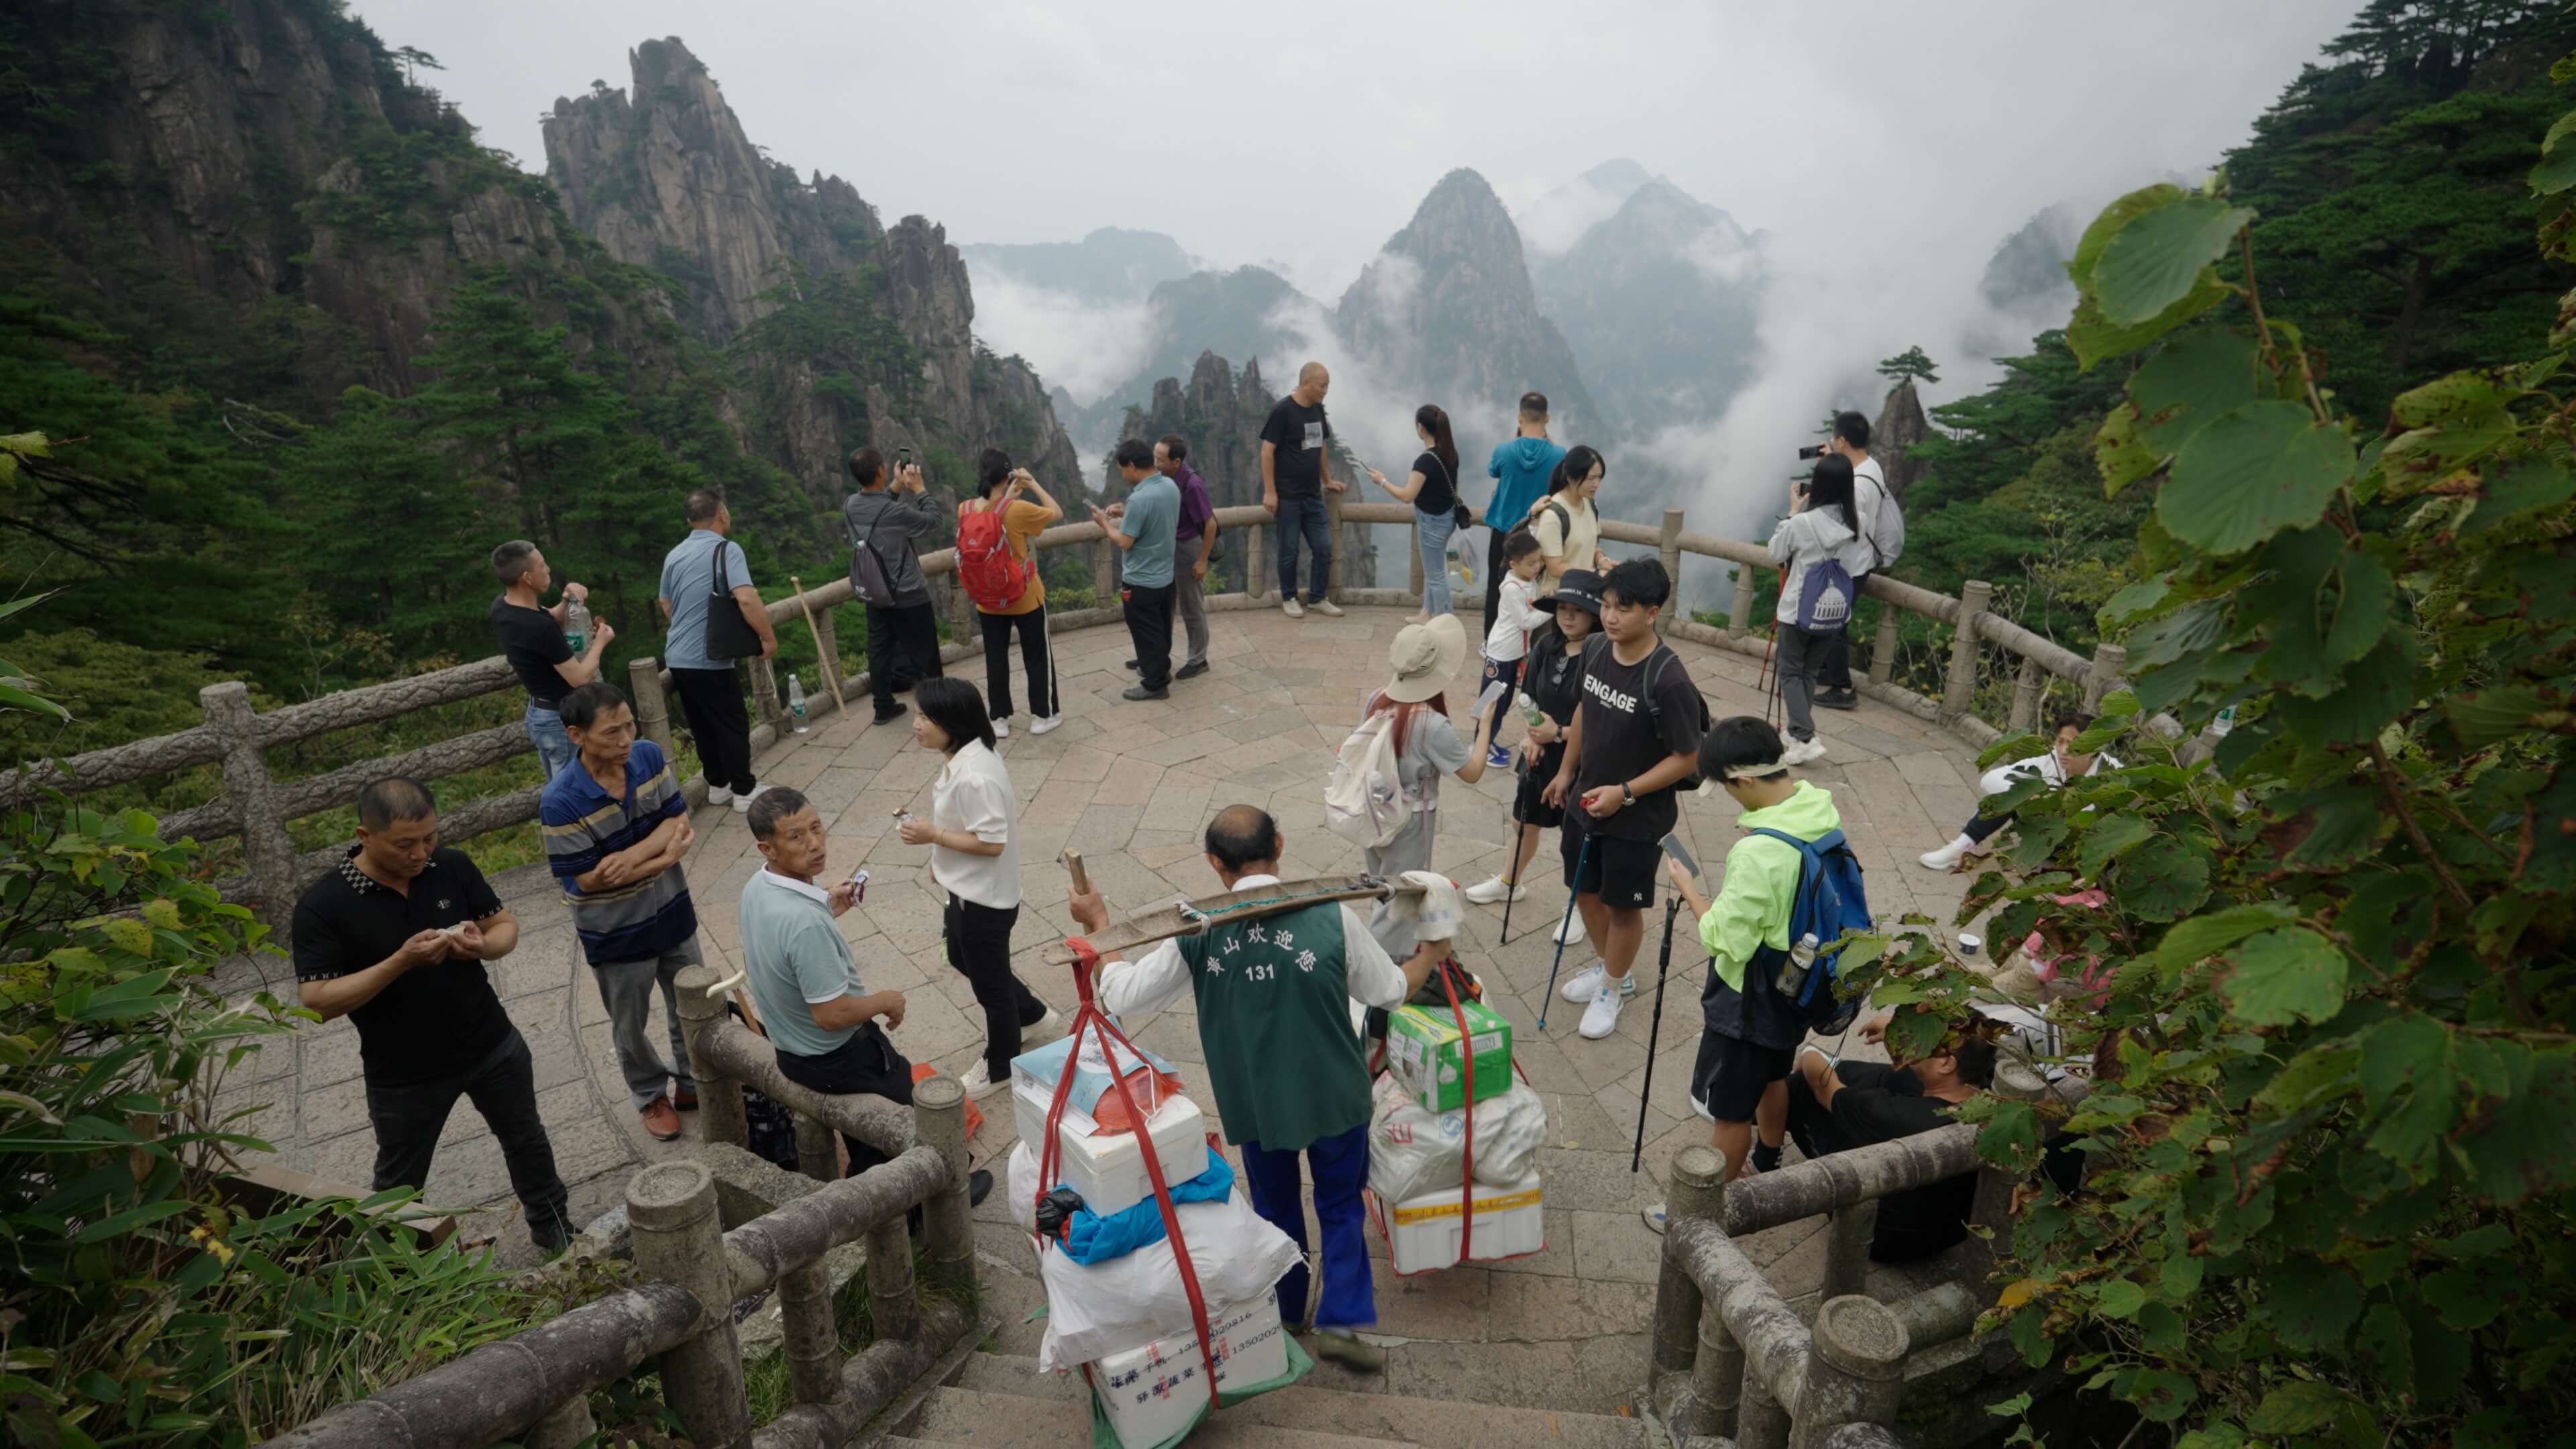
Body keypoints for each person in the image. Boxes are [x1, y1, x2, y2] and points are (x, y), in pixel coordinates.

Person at [1071, 804, 1446, 1373]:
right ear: (1281, 844)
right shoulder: (1333, 918)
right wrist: (1431, 956)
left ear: (1214, 863)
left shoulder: (1197, 930)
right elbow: (1391, 991)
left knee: (1274, 1208)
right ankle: (1341, 1322)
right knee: (1341, 1206)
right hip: (1335, 1096)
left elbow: (1121, 995)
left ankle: (1288, 1312)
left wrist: (1099, 922)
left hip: (1257, 1102)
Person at [294, 778, 574, 1254]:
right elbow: (318, 1000)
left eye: (430, 838)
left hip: (492, 1043)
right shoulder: (323, 906)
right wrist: (401, 962)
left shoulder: (450, 866)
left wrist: (482, 947)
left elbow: (504, 925)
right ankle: (397, 1267)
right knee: (400, 1181)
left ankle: (555, 1228)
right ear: (365, 836)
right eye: (405, 844)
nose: (421, 853)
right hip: (403, 1074)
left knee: (527, 1140)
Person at [741, 787, 996, 1205]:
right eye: (797, 837)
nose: (815, 844)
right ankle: (943, 1198)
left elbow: (782, 944)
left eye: (816, 827)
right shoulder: (805, 923)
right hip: (833, 1057)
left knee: (875, 1128)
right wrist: (885, 1001)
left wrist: (827, 904)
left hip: (789, 1047)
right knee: (914, 1111)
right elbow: (830, 1015)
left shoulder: (758, 886)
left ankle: (874, 1186)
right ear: (767, 848)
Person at [1655, 715, 1841, 1189]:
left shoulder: (1758, 854)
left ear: (1742, 781)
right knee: (1774, 1075)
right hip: (1797, 983)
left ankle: (1709, 1207)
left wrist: (1688, 888)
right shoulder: (1816, 807)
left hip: (1751, 1000)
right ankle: (1768, 1157)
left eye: (1727, 787)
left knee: (1731, 1112)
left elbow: (1724, 939)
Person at [1543, 559, 1706, 1041]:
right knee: (1583, 891)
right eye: (1608, 606)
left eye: (1624, 609)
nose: (1610, 617)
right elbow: (1584, 710)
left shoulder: (1669, 680)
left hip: (1637, 818)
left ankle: (1612, 987)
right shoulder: (1596, 647)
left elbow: (1687, 758)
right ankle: (1613, 968)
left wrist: (1626, 792)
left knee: (1622, 906)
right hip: (1585, 802)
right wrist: (1566, 771)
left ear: (1652, 613)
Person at [541, 682, 701, 1143]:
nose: (626, 739)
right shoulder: (560, 801)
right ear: (577, 736)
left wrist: (632, 859)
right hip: (615, 931)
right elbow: (590, 879)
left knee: (694, 1002)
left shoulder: (648, 757)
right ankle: (650, 1094)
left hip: (672, 908)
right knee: (630, 1023)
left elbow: (678, 820)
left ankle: (693, 1081)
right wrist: (666, 854)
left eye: (629, 726)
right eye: (612, 732)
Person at [896, 678, 1061, 1093]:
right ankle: (1032, 1015)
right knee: (960, 956)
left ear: (953, 721)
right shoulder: (966, 755)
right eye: (917, 715)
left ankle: (1001, 1066)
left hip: (983, 902)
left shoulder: (974, 776)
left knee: (991, 989)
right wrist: (942, 860)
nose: (916, 725)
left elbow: (992, 842)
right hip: (967, 891)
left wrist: (932, 836)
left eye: (925, 717)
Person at [1779, 1014, 1997, 1260]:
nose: (1917, 1040)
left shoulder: (1894, 1115)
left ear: (1946, 1063)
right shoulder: (1987, 1091)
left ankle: (1764, 1143)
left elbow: (1823, 1088)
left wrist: (1809, 1053)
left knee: (1804, 1086)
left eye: (1925, 1039)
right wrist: (1899, 1036)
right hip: (1944, 1233)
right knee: (1893, 1077)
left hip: (1883, 1237)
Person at [1353, 614, 1497, 955]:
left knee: (1382, 885)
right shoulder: (1432, 725)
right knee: (1402, 899)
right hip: (1410, 821)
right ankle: (1382, 966)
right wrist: (1486, 726)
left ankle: (1388, 951)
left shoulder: (1376, 698)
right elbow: (1473, 772)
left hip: (1373, 809)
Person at [1464, 570, 1601, 922]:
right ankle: (1509, 882)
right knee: (1523, 822)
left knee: (1577, 835)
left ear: (1595, 616)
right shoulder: (1545, 646)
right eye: (1563, 608)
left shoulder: (1601, 658)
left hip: (1583, 761)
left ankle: (1579, 906)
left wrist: (1557, 734)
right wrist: (1533, 734)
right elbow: (1529, 697)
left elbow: (1603, 722)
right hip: (1540, 753)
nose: (1568, 617)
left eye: (1579, 611)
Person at [656, 490, 776, 812]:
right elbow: (746, 599)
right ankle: (744, 790)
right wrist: (767, 638)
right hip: (709, 657)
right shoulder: (727, 550)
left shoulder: (674, 555)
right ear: (722, 513)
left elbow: (666, 602)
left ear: (689, 520)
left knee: (703, 724)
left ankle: (718, 785)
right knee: (732, 722)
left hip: (677, 656)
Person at [1766, 453, 1871, 767]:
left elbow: (1775, 552)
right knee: (1809, 671)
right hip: (1834, 611)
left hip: (1798, 610)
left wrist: (1792, 512)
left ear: (1819, 485)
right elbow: (1855, 564)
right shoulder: (1859, 522)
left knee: (1790, 671)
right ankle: (1796, 733)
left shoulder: (1803, 523)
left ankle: (1806, 736)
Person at [1917, 714, 2120, 871]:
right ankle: (1960, 849)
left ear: (2094, 747)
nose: (2063, 751)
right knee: (2009, 796)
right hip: (2041, 838)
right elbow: (1991, 780)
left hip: (2078, 850)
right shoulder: (2050, 761)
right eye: (2060, 741)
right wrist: (2030, 798)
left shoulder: (2111, 772)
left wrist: (2048, 803)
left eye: (2073, 744)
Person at [961, 449, 1065, 738]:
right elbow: (1057, 512)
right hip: (1024, 596)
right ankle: (1042, 716)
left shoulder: (965, 509)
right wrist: (1032, 484)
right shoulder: (1018, 510)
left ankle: (999, 719)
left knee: (995, 659)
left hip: (987, 600)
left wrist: (1007, 497)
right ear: (1009, 476)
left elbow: (989, 520)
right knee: (1037, 656)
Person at [488, 540, 611, 783]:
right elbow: (579, 678)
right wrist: (600, 642)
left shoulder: (503, 606)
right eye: (542, 565)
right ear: (527, 577)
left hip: (540, 713)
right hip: (560, 719)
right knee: (572, 791)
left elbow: (550, 617)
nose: (548, 569)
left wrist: (566, 600)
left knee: (559, 787)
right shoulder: (537, 627)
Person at [844, 446, 947, 725]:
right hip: (908, 594)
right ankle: (938, 708)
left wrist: (897, 484)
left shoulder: (850, 506)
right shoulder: (896, 512)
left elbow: (879, 509)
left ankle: (883, 707)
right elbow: (934, 521)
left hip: (875, 592)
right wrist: (919, 490)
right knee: (926, 654)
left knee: (880, 651)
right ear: (880, 471)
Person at [1814, 411, 1897, 712]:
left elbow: (1844, 525)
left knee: (1834, 623)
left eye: (1834, 439)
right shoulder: (1871, 467)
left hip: (1850, 563)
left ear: (1842, 440)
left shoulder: (1857, 484)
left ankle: (1843, 688)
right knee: (1833, 622)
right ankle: (1829, 672)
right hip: (1862, 560)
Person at [1092, 438, 1181, 701]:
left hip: (1142, 580)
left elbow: (1124, 541)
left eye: (1123, 469)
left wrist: (1104, 523)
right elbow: (1154, 518)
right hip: (1165, 576)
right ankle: (1160, 669)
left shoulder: (1140, 499)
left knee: (1146, 632)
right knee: (1160, 629)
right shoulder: (1170, 486)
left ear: (1132, 466)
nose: (1123, 474)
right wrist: (1127, 511)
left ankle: (1155, 684)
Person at [1260, 361, 1346, 621]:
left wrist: (1327, 479)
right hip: (1288, 497)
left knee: (1324, 547)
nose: (1325, 390)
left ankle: (1318, 598)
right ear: (1306, 383)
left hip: (1313, 495)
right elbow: (1267, 452)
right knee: (1289, 552)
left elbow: (1321, 446)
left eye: (1328, 385)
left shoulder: (1317, 410)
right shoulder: (1283, 411)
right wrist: (1270, 492)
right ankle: (1289, 598)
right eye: (1322, 385)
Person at [1364, 404, 1464, 623]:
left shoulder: (1426, 461)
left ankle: (1445, 620)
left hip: (1431, 523)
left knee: (1436, 576)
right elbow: (1454, 487)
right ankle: (1427, 613)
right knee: (1433, 571)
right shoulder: (1451, 453)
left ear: (1421, 428)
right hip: (1447, 518)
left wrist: (1382, 481)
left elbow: (1407, 495)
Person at [1483, 392, 1566, 630]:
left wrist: (1514, 442)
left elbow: (1494, 471)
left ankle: (1491, 640)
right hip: (1539, 534)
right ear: (1547, 419)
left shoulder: (1504, 451)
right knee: (1536, 588)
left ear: (1520, 418)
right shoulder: (1559, 455)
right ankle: (1533, 643)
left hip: (1504, 530)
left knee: (1497, 586)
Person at [1477, 528, 1549, 770]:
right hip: (1501, 653)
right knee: (1491, 701)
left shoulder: (1528, 581)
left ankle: (1487, 740)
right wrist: (1552, 608)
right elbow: (1526, 621)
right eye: (1531, 563)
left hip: (1514, 652)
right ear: (1514, 564)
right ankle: (1479, 745)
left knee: (1505, 702)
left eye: (1539, 561)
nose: (1537, 567)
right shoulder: (1511, 588)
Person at [1159, 435, 1218, 680]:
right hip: (1169, 546)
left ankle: (1198, 659)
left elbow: (1210, 524)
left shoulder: (1192, 485)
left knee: (1191, 606)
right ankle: (1158, 655)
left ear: (1176, 461)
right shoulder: (1165, 478)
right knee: (1164, 603)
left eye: (1160, 460)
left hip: (1187, 549)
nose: (1156, 463)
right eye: (1155, 458)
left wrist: (1202, 560)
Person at [1527, 445, 1611, 588]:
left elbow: (1592, 545)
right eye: (1591, 478)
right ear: (1571, 479)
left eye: (1599, 477)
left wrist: (1602, 561)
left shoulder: (1590, 504)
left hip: (1583, 590)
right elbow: (1555, 568)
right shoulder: (1552, 515)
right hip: (1557, 594)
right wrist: (1596, 574)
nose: (1596, 484)